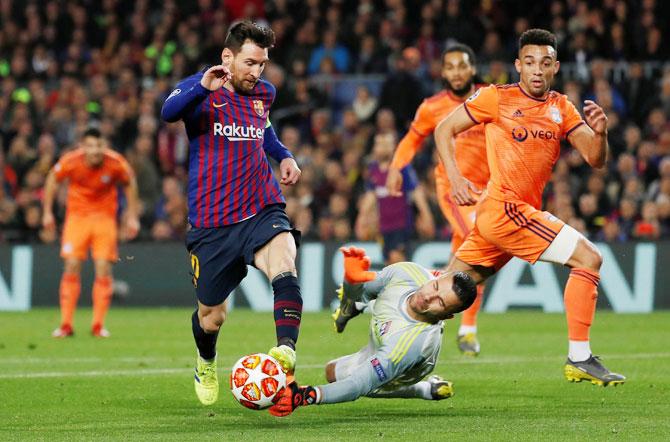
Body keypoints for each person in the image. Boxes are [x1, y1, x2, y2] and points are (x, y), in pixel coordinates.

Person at [433, 29, 625, 386]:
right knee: (589, 258)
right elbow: (444, 129)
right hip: (506, 209)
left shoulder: (561, 108)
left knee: (445, 292)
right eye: (531, 62)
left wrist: (600, 135)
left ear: (555, 67)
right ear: (518, 65)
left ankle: (369, 293)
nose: (538, 70)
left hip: (505, 216)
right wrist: (456, 178)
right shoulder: (495, 97)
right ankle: (579, 356)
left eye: (546, 63)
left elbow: (595, 160)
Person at [160, 21, 303, 406]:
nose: (257, 72)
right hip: (212, 224)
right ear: (228, 57)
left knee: (284, 258)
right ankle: (206, 359)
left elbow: (265, 129)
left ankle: (285, 350)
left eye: (262, 64)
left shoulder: (264, 94)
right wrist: (200, 86)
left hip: (261, 206)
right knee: (212, 317)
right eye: (250, 63)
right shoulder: (201, 90)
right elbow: (168, 111)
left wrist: (284, 155)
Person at [268, 246, 477, 417]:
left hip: (403, 366)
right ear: (434, 277)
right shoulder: (407, 272)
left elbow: (358, 385)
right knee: (333, 367)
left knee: (338, 377)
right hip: (383, 332)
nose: (429, 296)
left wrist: (305, 395)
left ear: (446, 316)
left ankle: (424, 389)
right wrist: (352, 279)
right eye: (435, 286)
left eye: (440, 302)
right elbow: (361, 293)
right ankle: (350, 311)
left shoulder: (409, 346)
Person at [385, 43, 489, 356]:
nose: (456, 72)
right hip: (453, 189)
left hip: (489, 189)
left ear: (472, 68)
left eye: (462, 66)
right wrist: (395, 168)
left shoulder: (490, 97)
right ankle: (453, 321)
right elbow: (412, 139)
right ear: (442, 72)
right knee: (480, 242)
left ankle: (399, 297)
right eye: (450, 67)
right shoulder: (433, 106)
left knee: (469, 257)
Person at [42, 128, 140, 338]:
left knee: (103, 267)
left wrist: (131, 215)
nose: (95, 150)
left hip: (104, 219)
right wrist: (47, 212)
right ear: (83, 146)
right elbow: (52, 179)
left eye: (99, 146)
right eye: (90, 145)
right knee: (71, 264)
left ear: (104, 146)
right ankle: (66, 324)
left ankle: (98, 325)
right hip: (77, 218)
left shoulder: (115, 162)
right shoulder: (71, 161)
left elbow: (130, 182)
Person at [355, 132, 434, 265]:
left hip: (401, 225)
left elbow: (416, 192)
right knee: (388, 262)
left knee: (396, 260)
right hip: (384, 227)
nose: (383, 147)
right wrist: (361, 218)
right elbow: (371, 196)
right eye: (380, 144)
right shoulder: (373, 170)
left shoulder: (402, 168)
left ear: (394, 147)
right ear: (375, 148)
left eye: (386, 144)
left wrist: (426, 215)